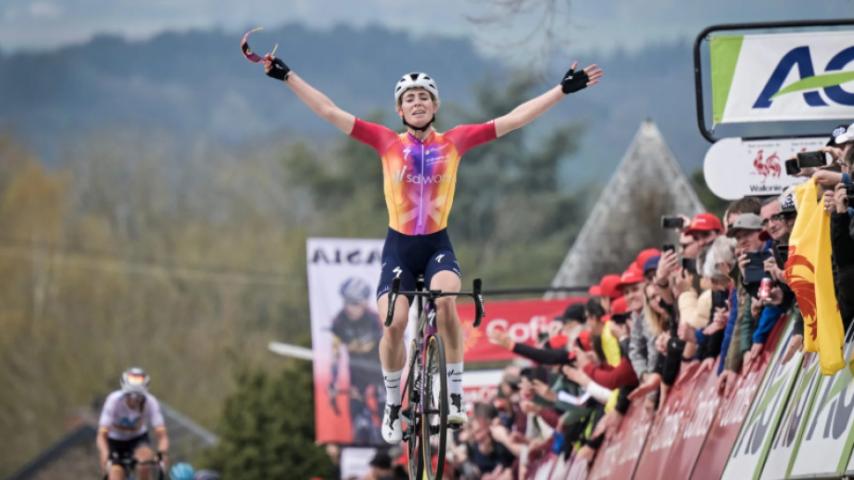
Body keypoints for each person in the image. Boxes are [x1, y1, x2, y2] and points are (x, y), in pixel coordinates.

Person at [256, 45, 603, 443]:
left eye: (424, 97)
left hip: (437, 244)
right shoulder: (387, 142)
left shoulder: (454, 142)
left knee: (446, 301)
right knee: (395, 324)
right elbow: (330, 112)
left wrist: (561, 90)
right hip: (400, 248)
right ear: (400, 112)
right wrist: (287, 76)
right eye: (409, 99)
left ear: (435, 106)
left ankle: (453, 393)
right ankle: (392, 404)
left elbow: (513, 119)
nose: (417, 102)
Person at [330, 276, 384, 444]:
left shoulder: (374, 320)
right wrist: (333, 382)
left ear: (364, 303)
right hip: (357, 374)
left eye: (354, 303)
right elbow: (335, 354)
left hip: (378, 371)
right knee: (357, 415)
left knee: (384, 410)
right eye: (346, 302)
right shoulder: (339, 321)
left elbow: (380, 347)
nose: (348, 307)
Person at [96, 367, 169, 480]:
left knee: (145, 461)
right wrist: (105, 452)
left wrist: (162, 453)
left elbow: (162, 435)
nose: (134, 401)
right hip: (115, 441)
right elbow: (102, 435)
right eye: (130, 396)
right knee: (114, 473)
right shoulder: (113, 401)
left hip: (138, 438)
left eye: (139, 397)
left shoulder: (151, 402)